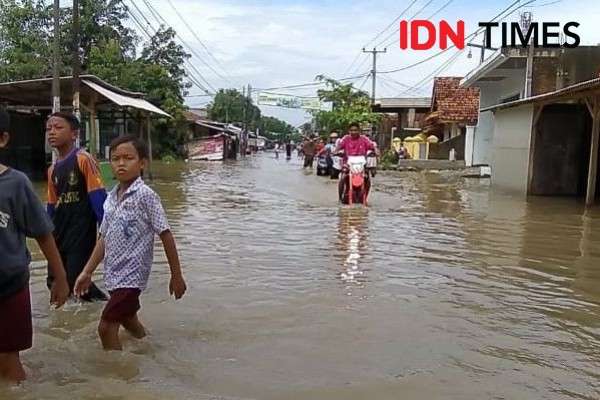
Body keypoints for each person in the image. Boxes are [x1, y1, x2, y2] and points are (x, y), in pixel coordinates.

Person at [74, 135, 187, 351]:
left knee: (106, 327)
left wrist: (176, 275)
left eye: (128, 158)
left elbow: (166, 234)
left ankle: (118, 377)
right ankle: (152, 350)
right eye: (115, 159)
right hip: (114, 273)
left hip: (132, 276)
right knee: (127, 320)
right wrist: (87, 272)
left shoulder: (146, 196)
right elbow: (103, 237)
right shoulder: (111, 197)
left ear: (142, 163)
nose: (121, 163)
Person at [0, 109, 69, 383]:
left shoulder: (16, 184)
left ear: (3, 139)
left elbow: (43, 233)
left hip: (10, 286)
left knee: (8, 359)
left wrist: (61, 277)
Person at [46, 112, 107, 302]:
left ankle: (102, 308)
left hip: (81, 232)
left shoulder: (83, 159)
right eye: (48, 129)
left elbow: (98, 198)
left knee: (74, 280)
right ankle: (96, 306)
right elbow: (51, 206)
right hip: (59, 233)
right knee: (53, 281)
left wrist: (106, 231)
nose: (51, 132)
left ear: (74, 134)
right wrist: (47, 234)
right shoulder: (52, 169)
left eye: (58, 127)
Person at [335, 122, 377, 200]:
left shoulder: (364, 139)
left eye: (356, 130)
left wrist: (376, 151)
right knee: (343, 177)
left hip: (361, 164)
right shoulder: (346, 138)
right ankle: (340, 197)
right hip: (348, 164)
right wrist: (336, 151)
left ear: (359, 131)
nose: (354, 132)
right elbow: (339, 146)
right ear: (349, 131)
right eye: (352, 130)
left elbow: (372, 146)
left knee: (367, 178)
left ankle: (365, 197)